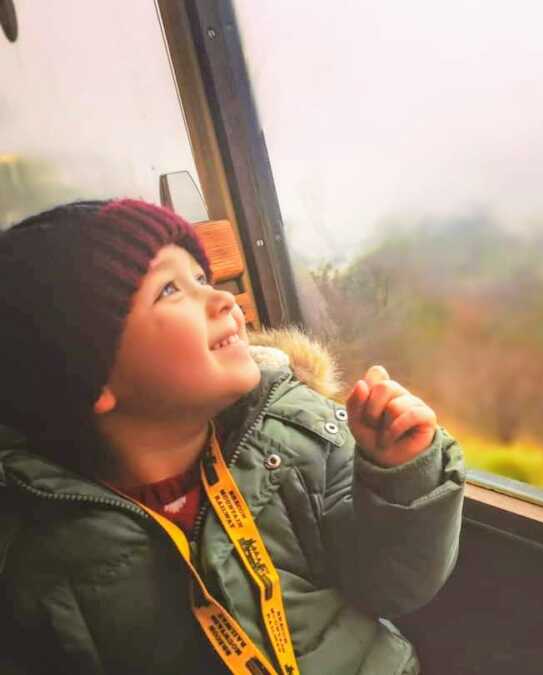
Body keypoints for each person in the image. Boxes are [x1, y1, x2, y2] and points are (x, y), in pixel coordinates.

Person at [0, 199, 465, 674]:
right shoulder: (31, 544)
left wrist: (400, 478)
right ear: (90, 378)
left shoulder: (295, 436)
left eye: (201, 278)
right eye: (169, 290)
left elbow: (391, 587)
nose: (222, 298)